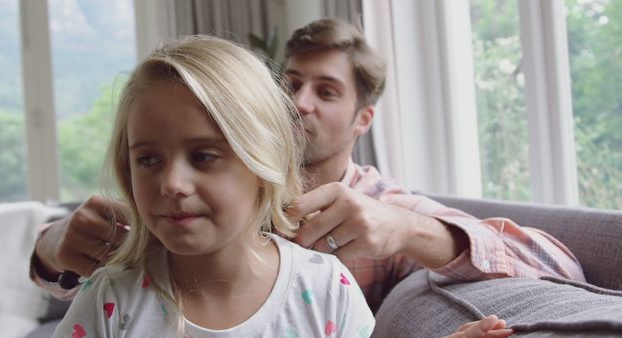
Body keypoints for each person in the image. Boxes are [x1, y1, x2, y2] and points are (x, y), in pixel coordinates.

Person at [31, 17, 581, 332]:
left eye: (327, 90)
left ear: (364, 119)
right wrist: (54, 245)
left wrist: (410, 231)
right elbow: (64, 274)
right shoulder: (167, 203)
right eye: (289, 83)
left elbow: (563, 267)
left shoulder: (375, 214)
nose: (299, 103)